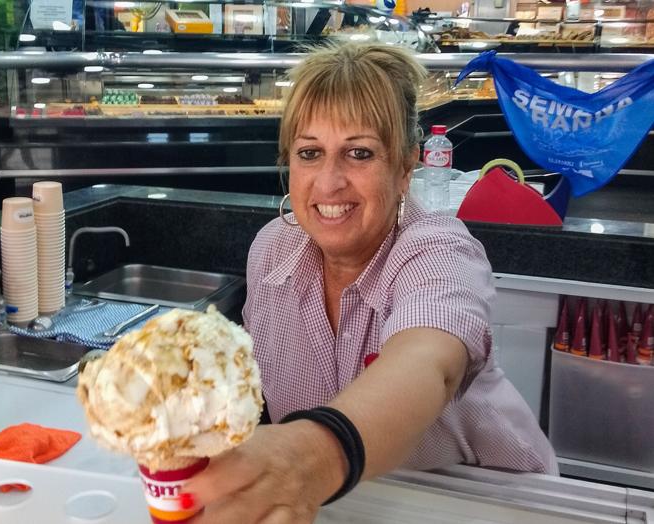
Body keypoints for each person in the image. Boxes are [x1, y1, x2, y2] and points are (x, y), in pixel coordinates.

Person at [183, 42, 558, 523]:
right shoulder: (271, 251)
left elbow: (428, 361)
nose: (329, 182)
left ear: (405, 167)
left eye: (359, 153)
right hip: (353, 501)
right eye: (309, 153)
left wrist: (314, 455)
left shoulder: (438, 252)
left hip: (493, 503)